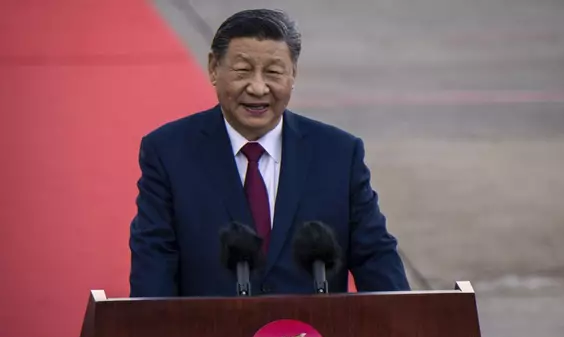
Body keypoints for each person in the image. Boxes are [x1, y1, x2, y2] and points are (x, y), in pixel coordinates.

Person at [129, 9, 410, 297]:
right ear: (214, 68)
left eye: (274, 72)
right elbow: (154, 263)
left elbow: (376, 256)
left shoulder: (338, 154)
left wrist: (405, 326)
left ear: (293, 74)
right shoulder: (169, 152)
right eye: (243, 71)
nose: (258, 87)